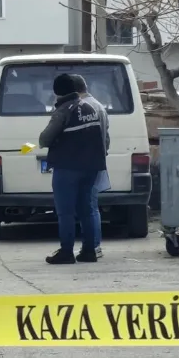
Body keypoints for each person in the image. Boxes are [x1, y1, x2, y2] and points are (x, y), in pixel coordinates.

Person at [39, 72, 110, 264]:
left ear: (57, 92)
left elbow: (45, 139)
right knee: (87, 209)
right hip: (92, 167)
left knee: (66, 211)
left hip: (67, 167)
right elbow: (104, 139)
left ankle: (66, 252)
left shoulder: (64, 110)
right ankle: (89, 251)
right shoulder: (91, 108)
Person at [70, 74, 109, 259]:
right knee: (91, 205)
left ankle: (93, 246)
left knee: (89, 206)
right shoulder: (99, 106)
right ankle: (94, 245)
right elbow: (106, 139)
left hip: (85, 163)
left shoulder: (83, 107)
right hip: (97, 161)